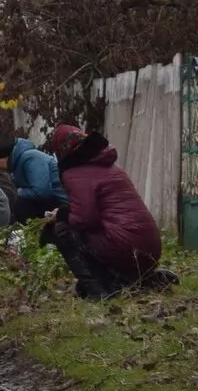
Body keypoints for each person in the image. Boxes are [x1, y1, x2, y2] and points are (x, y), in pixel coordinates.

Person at [44, 125, 168, 299]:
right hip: (151, 247)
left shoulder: (74, 172)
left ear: (61, 150)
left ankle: (98, 290)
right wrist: (66, 211)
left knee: (62, 229)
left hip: (125, 247)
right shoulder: (111, 166)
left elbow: (85, 218)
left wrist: (60, 215)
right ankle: (142, 279)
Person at [0, 136, 68, 221]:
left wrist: (18, 192)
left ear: (5, 158)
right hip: (52, 201)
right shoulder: (17, 164)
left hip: (63, 203)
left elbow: (41, 191)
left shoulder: (30, 157)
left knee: (21, 205)